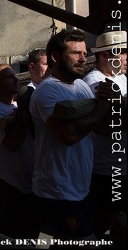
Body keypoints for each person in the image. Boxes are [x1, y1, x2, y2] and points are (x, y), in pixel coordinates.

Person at [29, 28, 120, 244]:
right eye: (75, 53)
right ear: (55, 57)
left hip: (79, 185)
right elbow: (68, 136)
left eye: (84, 52)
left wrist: (113, 105)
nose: (83, 58)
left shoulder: (80, 86)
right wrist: (103, 105)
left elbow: (98, 128)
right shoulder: (47, 91)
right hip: (57, 189)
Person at [0, 64, 40, 239]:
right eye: (9, 77)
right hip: (10, 185)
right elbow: (11, 145)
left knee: (30, 232)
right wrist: (23, 113)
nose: (16, 79)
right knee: (11, 234)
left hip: (29, 183)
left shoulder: (16, 108)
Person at [83, 30, 127, 242]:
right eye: (122, 52)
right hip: (105, 170)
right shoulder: (94, 83)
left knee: (117, 221)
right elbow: (100, 127)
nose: (126, 57)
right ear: (104, 55)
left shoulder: (122, 78)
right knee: (100, 223)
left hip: (119, 166)